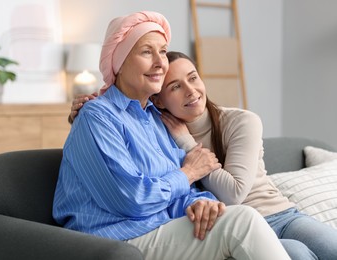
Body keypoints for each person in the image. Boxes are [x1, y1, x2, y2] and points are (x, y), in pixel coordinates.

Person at [54, 11, 291, 260]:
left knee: (241, 226)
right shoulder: (97, 116)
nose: (160, 63)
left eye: (163, 51)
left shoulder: (157, 119)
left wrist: (202, 202)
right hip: (116, 237)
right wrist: (188, 173)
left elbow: (182, 188)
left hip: (161, 227)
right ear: (119, 63)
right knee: (241, 222)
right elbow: (132, 199)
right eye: (147, 52)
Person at [70, 50, 337, 260]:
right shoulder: (156, 131)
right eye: (175, 86)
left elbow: (235, 192)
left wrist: (187, 145)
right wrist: (86, 110)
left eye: (193, 77)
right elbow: (118, 129)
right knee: (299, 255)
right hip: (235, 228)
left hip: (279, 215)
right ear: (159, 100)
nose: (191, 91)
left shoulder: (241, 121)